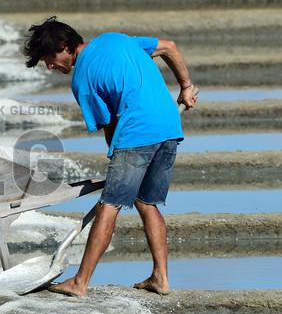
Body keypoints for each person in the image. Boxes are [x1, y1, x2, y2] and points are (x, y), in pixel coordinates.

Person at [23, 18, 197, 297]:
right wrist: (185, 86)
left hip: (138, 131)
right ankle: (161, 278)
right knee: (145, 201)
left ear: (66, 47)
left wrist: (117, 159)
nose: (49, 66)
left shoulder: (82, 80)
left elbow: (110, 127)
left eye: (49, 58)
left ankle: (80, 282)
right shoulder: (116, 39)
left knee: (109, 205)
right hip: (168, 127)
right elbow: (169, 47)